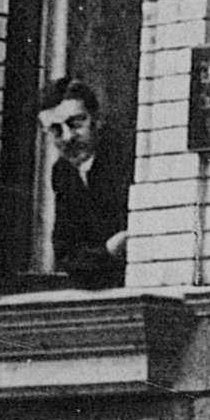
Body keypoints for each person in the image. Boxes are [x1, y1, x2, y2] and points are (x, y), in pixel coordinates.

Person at [37, 75, 130, 290]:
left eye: (76, 124)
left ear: (97, 119)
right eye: (56, 130)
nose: (67, 137)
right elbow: (66, 254)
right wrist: (108, 251)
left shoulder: (125, 159)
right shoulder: (63, 172)